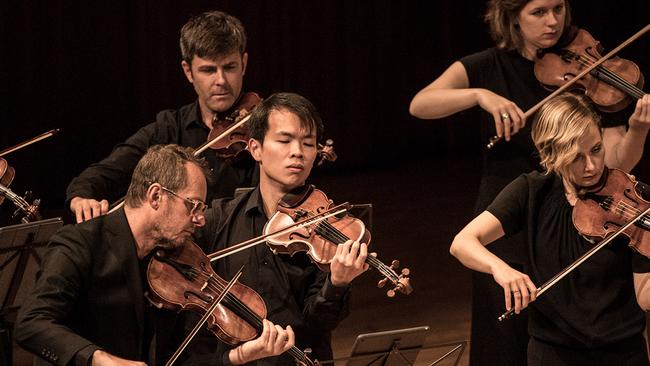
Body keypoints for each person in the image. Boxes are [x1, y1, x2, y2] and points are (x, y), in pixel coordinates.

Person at [409, 0, 650, 363]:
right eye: (538, 12)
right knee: (505, 333)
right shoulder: (488, 65)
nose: (553, 21)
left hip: (581, 204)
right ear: (511, 16)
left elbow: (612, 164)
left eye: (559, 9)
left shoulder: (587, 74)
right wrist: (480, 95)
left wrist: (637, 130)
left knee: (574, 315)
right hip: (515, 203)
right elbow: (420, 104)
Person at [14, 145, 294, 366]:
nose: (201, 220)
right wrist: (98, 358)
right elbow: (31, 323)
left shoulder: (172, 262)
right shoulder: (81, 243)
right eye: (193, 206)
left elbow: (182, 359)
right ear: (156, 195)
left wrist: (242, 355)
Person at [450, 92, 650, 366]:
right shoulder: (532, 191)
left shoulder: (634, 200)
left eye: (596, 149)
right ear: (551, 153)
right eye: (576, 157)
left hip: (622, 354)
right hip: (552, 353)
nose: (591, 166)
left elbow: (644, 297)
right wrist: (501, 269)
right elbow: (462, 243)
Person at [183, 92, 368, 365]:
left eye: (308, 143)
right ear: (255, 148)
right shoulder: (219, 218)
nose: (298, 152)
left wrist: (337, 283)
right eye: (284, 140)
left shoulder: (327, 226)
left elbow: (317, 326)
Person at [66, 10, 259, 223]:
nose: (221, 80)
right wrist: (81, 197)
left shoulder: (262, 125)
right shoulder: (169, 127)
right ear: (188, 71)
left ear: (244, 64)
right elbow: (108, 170)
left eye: (229, 67)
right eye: (208, 70)